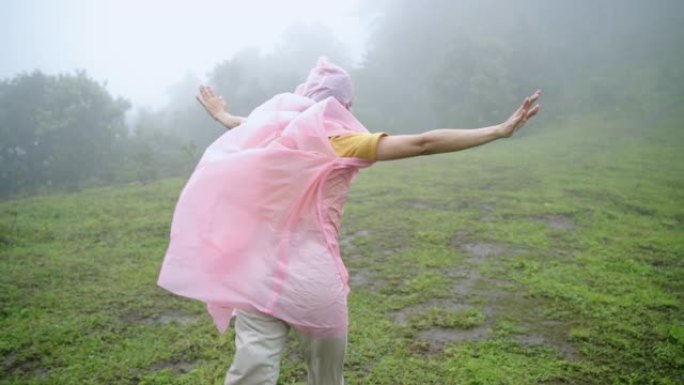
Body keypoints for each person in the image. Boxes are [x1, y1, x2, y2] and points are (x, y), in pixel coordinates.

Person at [157, 57, 541, 385]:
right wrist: (497, 130)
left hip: (256, 278)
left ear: (303, 96)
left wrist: (223, 115)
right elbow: (424, 143)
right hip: (312, 285)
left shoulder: (271, 132)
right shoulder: (342, 141)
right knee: (326, 377)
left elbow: (243, 125)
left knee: (250, 374)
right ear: (344, 106)